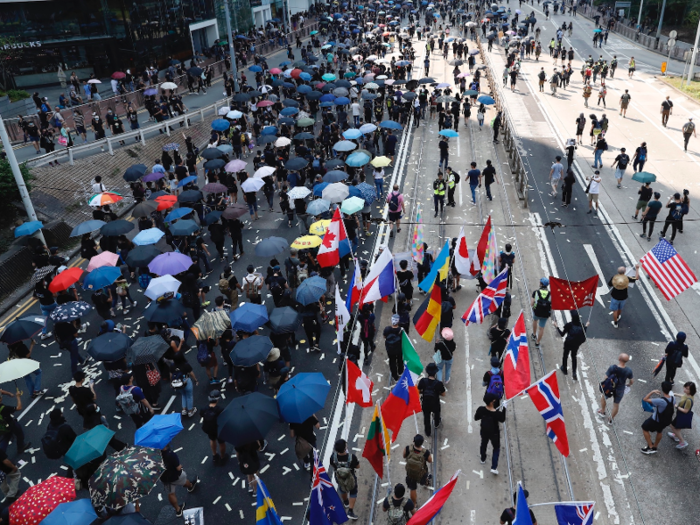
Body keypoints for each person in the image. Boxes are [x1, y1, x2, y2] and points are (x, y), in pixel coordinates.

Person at [161, 444, 200, 516]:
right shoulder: (171, 455)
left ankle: (178, 510)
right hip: (175, 476)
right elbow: (178, 468)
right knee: (184, 481)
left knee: (171, 493)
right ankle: (190, 486)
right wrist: (180, 465)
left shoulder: (154, 456)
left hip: (164, 478)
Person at [598, 353, 634, 423]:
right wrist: (628, 384)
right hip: (620, 389)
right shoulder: (629, 370)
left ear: (619, 359)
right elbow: (632, 381)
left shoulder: (613, 368)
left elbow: (606, 377)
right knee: (616, 404)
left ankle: (602, 412)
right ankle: (611, 419)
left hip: (610, 387)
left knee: (603, 398)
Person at [475, 393, 506, 475]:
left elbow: (476, 418)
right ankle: (494, 467)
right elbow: (502, 419)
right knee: (496, 448)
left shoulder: (481, 409)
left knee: (483, 444)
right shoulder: (497, 414)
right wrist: (504, 408)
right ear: (492, 402)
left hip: (484, 431)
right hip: (494, 434)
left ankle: (483, 458)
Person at [552, 311, 588, 381]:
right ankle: (574, 373)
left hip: (568, 343)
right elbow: (584, 333)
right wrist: (586, 326)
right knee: (574, 357)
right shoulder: (582, 326)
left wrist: (556, 326)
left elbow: (562, 334)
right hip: (576, 344)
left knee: (565, 355)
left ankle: (564, 369)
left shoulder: (569, 325)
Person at [641, 381, 675, 455]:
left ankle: (650, 447)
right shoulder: (673, 399)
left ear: (662, 389)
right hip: (665, 421)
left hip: (656, 420)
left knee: (644, 428)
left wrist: (652, 392)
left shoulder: (661, 401)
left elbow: (645, 399)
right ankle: (655, 446)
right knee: (659, 431)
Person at [330, 439, 360, 520]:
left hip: (339, 478)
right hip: (350, 478)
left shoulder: (333, 457)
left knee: (342, 489)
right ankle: (350, 511)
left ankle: (346, 502)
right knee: (353, 492)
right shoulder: (352, 457)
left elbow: (332, 465)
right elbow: (357, 466)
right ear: (344, 448)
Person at [417, 363, 446, 437]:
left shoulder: (423, 381)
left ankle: (428, 431)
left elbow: (418, 391)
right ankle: (436, 424)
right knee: (437, 413)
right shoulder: (439, 383)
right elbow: (443, 394)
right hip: (435, 403)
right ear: (435, 372)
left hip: (425, 403)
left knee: (426, 417)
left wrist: (424, 391)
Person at [403, 434, 432, 505]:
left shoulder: (407, 448)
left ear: (413, 441)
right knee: (425, 477)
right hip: (421, 474)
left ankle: (414, 503)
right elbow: (430, 460)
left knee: (412, 489)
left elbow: (404, 456)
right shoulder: (425, 452)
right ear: (422, 443)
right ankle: (426, 482)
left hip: (410, 474)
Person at [201, 390, 227, 465]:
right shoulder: (220, 410)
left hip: (209, 429)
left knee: (212, 440)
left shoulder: (204, 409)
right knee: (221, 443)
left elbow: (202, 415)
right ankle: (222, 457)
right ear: (218, 399)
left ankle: (214, 455)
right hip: (219, 429)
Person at [667, 381, 695, 450]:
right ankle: (675, 436)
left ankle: (682, 441)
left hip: (682, 415)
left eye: (687, 389)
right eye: (685, 387)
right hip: (680, 415)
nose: (685, 389)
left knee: (672, 426)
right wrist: (676, 394)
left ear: (691, 390)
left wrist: (676, 406)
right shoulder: (689, 395)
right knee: (678, 427)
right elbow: (684, 396)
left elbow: (686, 411)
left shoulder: (689, 400)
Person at [0, 389, 29, 454]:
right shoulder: (4, 408)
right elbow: (19, 407)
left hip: (2, 426)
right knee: (19, 434)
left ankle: (1, 454)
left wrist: (9, 393)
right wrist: (18, 397)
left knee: (5, 438)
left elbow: (0, 391)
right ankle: (20, 447)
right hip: (10, 423)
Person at [530, 278, 551, 347]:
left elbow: (532, 304)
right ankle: (537, 342)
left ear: (541, 284)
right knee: (542, 328)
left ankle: (534, 334)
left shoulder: (536, 292)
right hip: (545, 314)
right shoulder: (550, 294)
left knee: (535, 320)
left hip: (537, 312)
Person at [383, 315, 404, 381]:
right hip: (398, 348)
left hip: (390, 349)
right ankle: (400, 371)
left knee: (392, 361)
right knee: (399, 360)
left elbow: (384, 336)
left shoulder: (387, 329)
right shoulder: (401, 330)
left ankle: (395, 376)